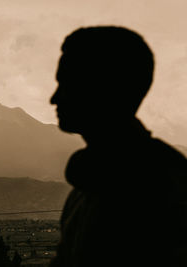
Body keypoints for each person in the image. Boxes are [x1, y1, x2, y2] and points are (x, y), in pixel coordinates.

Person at [49, 26, 187, 267]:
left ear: (103, 89)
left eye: (67, 84)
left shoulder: (157, 184)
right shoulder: (89, 184)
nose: (54, 98)